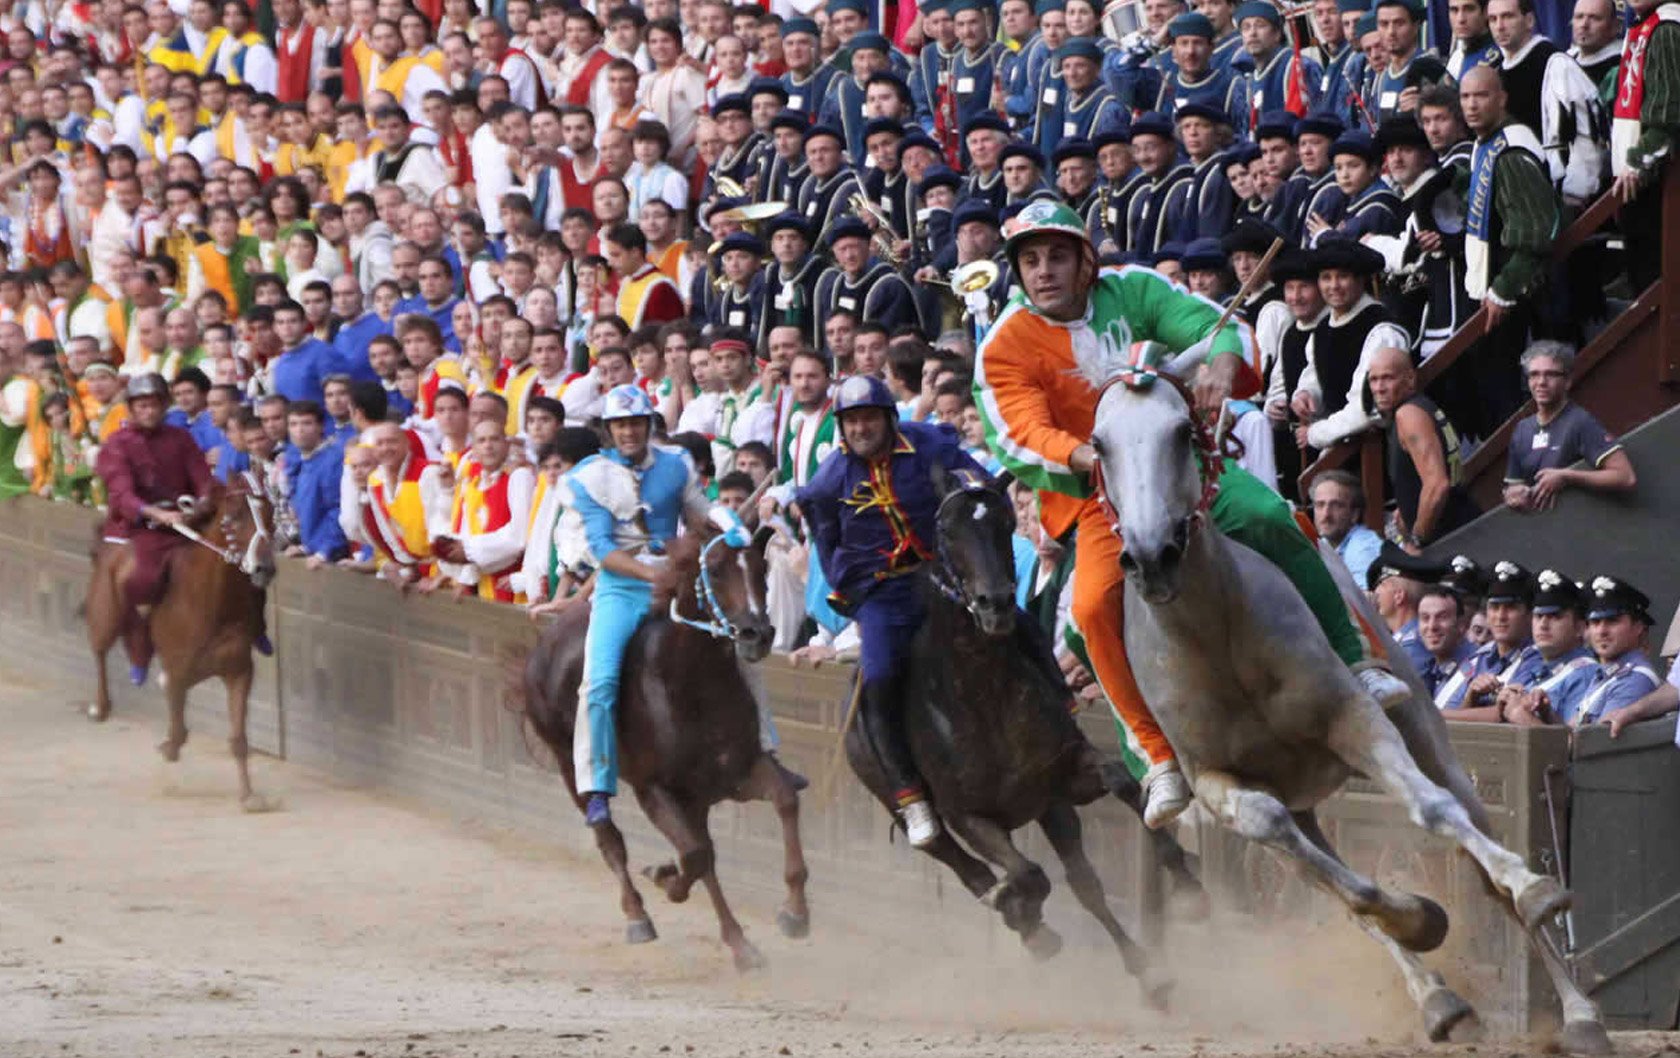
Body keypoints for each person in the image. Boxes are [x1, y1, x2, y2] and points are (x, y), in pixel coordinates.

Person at [973, 200, 1410, 830]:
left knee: (1268, 514)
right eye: (1032, 260)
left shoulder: (1135, 288)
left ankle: (1357, 660)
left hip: (1183, 471)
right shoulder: (1005, 342)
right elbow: (1016, 433)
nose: (1045, 271)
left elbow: (1212, 325)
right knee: (1094, 607)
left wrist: (1225, 363)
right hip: (1096, 492)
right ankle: (1157, 757)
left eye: (1058, 256)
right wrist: (1088, 455)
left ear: (1084, 260)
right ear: (1018, 270)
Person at [797, 374, 996, 846]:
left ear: (888, 417)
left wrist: (967, 493)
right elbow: (828, 548)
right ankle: (911, 797)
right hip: (884, 594)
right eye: (851, 421)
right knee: (881, 674)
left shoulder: (930, 442)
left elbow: (976, 480)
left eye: (868, 417)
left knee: (1014, 627)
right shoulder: (828, 482)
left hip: (948, 578)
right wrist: (856, 594)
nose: (861, 428)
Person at [568, 385, 712, 828]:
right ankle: (596, 784)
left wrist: (718, 529)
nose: (629, 431)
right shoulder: (589, 475)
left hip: (679, 581)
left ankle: (763, 742)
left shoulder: (675, 464)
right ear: (609, 430)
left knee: (735, 650)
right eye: (620, 425)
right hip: (620, 587)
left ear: (649, 425)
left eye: (636, 423)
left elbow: (699, 518)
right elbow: (602, 549)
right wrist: (652, 574)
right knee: (599, 681)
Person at [1458, 66, 1562, 440]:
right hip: (1491, 292)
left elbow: (1534, 231)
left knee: (1504, 387)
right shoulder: (1485, 143)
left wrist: (1503, 289)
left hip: (1515, 296)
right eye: (1465, 97)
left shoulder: (1512, 149)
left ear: (1502, 98)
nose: (1471, 105)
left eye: (1481, 96)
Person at [93, 373, 214, 686]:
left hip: (188, 520)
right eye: (143, 405)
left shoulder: (181, 438)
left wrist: (201, 504)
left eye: (156, 404)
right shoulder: (116, 444)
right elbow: (122, 495)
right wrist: (158, 514)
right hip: (142, 528)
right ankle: (140, 644)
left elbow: (202, 477)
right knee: (142, 579)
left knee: (233, 561)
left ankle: (251, 627)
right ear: (132, 408)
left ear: (165, 405)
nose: (150, 411)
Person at [1367, 346, 1479, 551]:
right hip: (1456, 529)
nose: (1379, 388)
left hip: (1449, 538)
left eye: (1388, 378)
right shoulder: (1422, 408)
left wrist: (1417, 540)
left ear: (1410, 379)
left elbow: (1437, 485)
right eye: (1373, 380)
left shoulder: (1408, 415)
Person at [1503, 341, 1637, 511]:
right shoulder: (1522, 429)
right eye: (1534, 374)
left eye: (1551, 374)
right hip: (1539, 529)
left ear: (1567, 381)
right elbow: (1513, 484)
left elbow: (1626, 477)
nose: (1541, 382)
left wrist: (1567, 477)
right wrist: (1512, 494)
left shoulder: (1580, 422)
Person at [1543, 576, 1663, 726]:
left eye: (1612, 621)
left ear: (1638, 626)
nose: (1602, 631)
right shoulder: (1605, 674)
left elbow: (1595, 746)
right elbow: (1573, 732)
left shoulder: (1635, 679)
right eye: (1595, 622)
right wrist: (1545, 712)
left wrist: (1520, 717)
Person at [1497, 569, 1598, 725]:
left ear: (1579, 628)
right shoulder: (1536, 664)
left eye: (1555, 617)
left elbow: (1572, 744)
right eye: (1538, 616)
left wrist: (1519, 715)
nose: (1543, 625)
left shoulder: (1584, 673)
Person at [1439, 561, 1539, 717]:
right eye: (1494, 607)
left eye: (1510, 607)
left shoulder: (1538, 660)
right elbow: (1446, 708)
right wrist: (1471, 697)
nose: (1501, 616)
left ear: (1529, 615)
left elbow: (1506, 716)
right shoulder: (1478, 659)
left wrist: (1437, 717)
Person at [1309, 470, 1382, 586]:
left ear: (1354, 515)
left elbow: (1362, 600)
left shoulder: (1363, 546)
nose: (1326, 514)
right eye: (1320, 505)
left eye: (1336, 506)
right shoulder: (1323, 544)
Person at [1416, 585, 1476, 704]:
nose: (1432, 626)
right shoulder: (1430, 669)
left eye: (1442, 617)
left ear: (1461, 625)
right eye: (1425, 618)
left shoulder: (1477, 667)